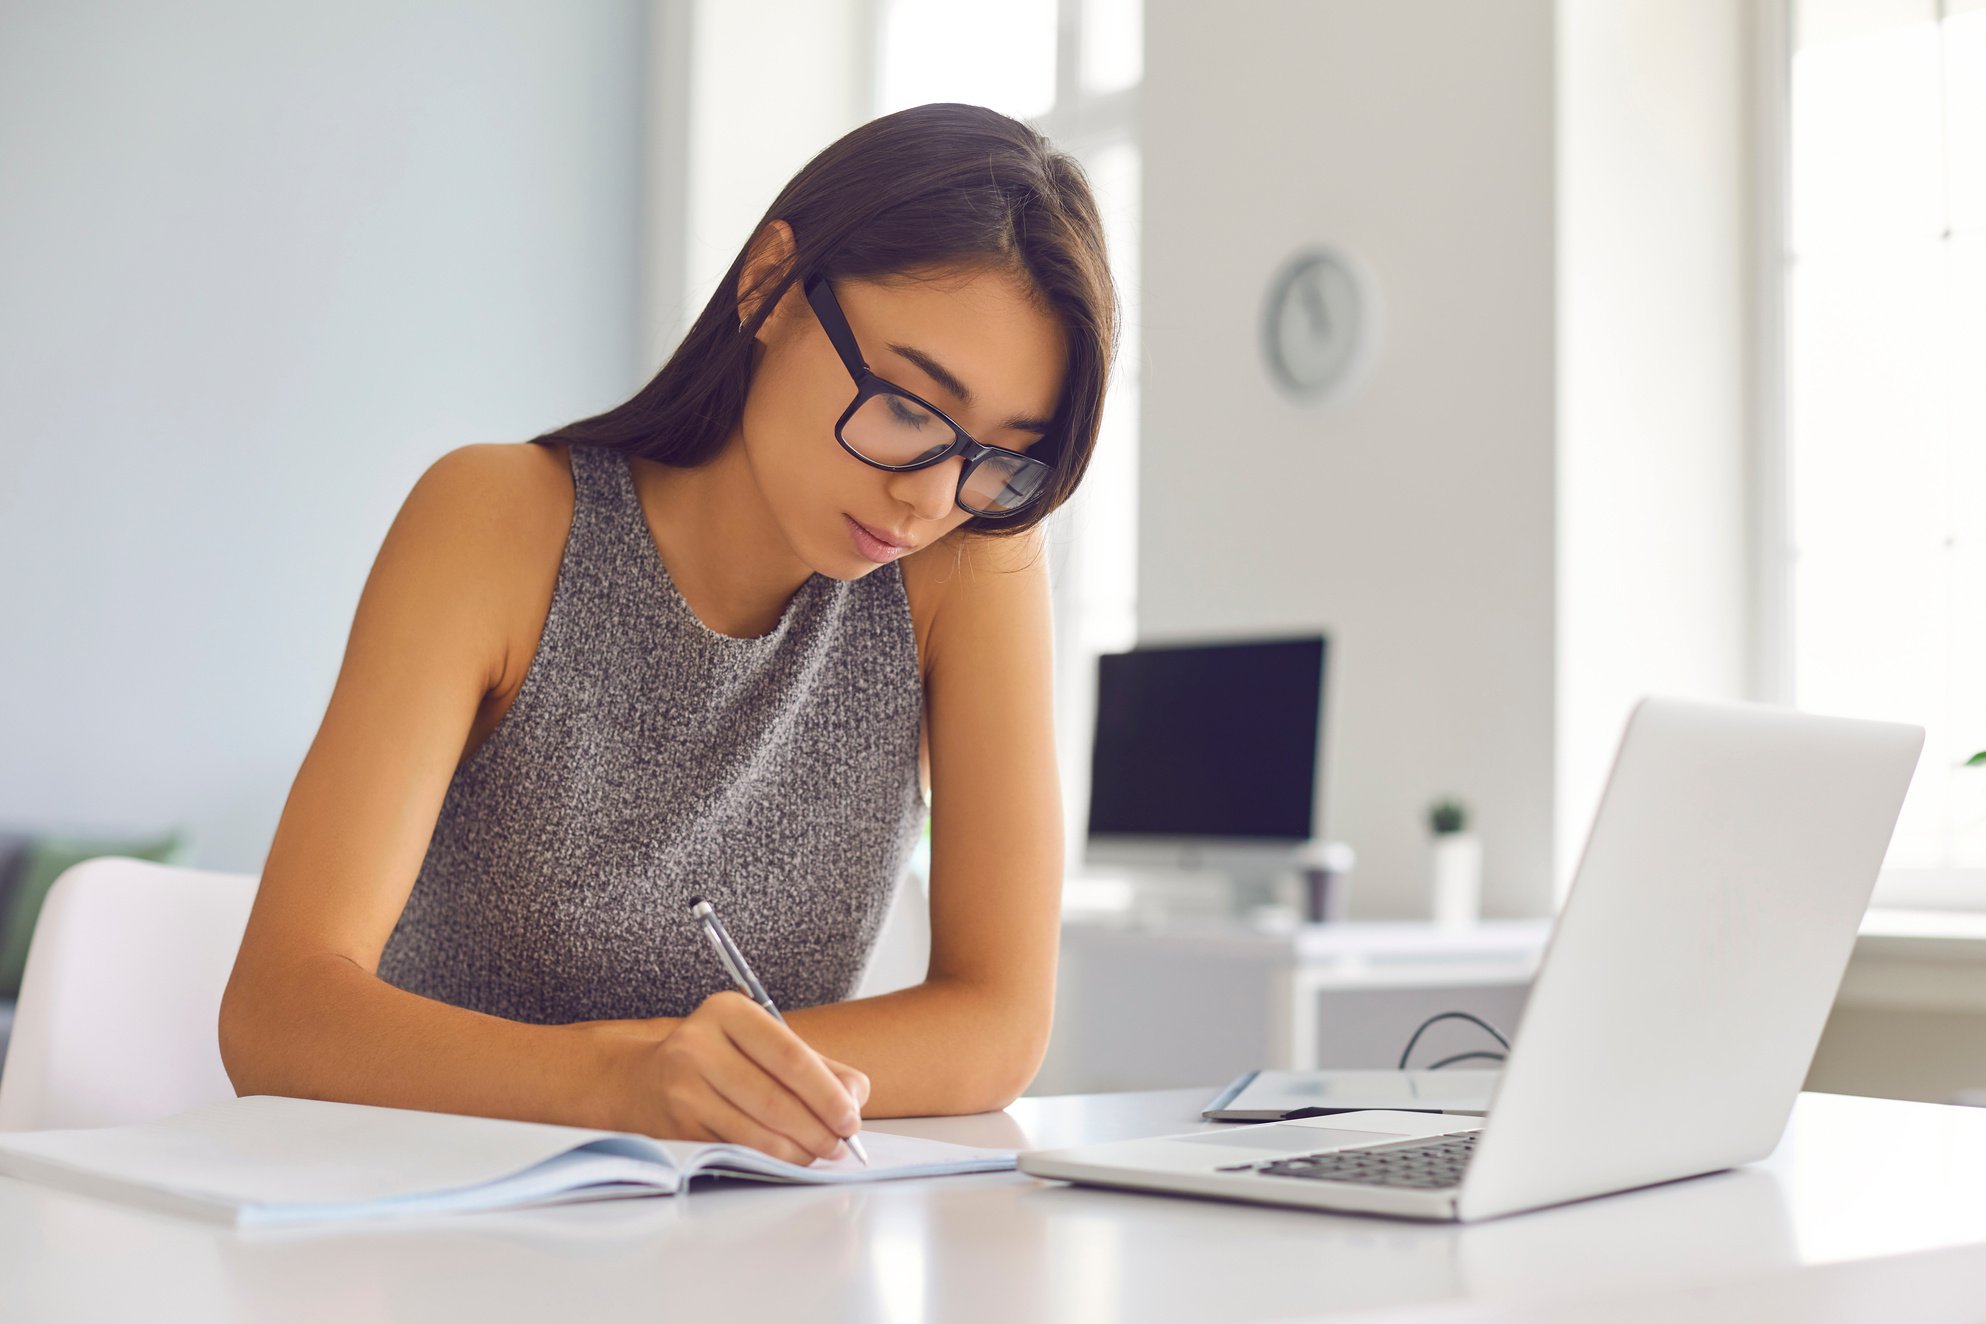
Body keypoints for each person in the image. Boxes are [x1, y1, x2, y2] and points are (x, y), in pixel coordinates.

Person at [217, 103, 1120, 1168]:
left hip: (736, 1237)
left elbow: (999, 1022)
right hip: (428, 1209)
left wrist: (704, 1091)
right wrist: (625, 1082)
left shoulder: (968, 562)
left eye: (999, 457)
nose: (928, 496)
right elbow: (276, 1013)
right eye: (909, 405)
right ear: (771, 286)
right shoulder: (495, 521)